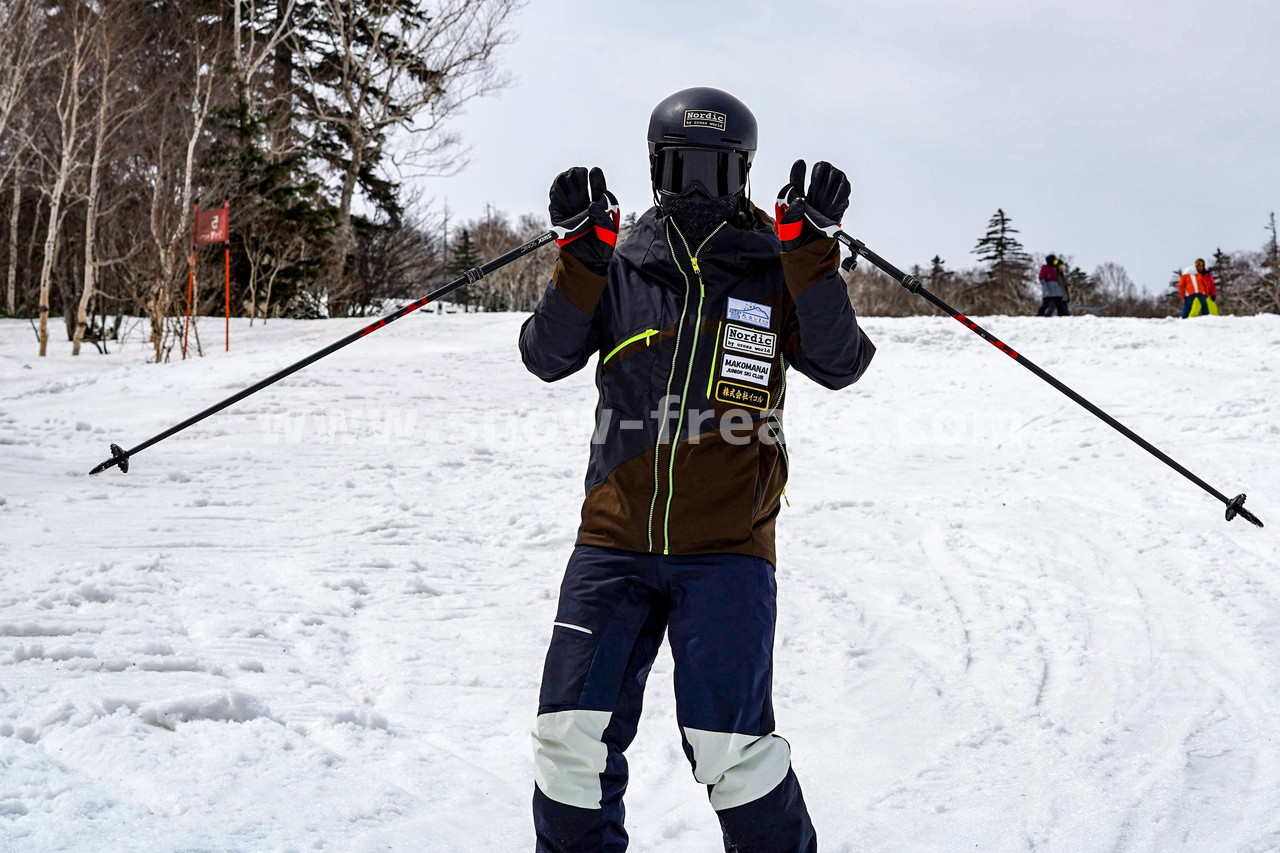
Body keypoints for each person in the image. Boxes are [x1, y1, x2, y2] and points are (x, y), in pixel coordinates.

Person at [519, 86, 876, 853]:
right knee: (568, 742)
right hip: (614, 543)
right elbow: (545, 355)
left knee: (733, 754)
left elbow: (842, 361)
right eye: (682, 172)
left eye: (714, 174)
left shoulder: (773, 268)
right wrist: (580, 258)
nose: (697, 191)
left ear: (743, 175)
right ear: (655, 172)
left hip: (726, 552)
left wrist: (811, 248)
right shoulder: (622, 266)